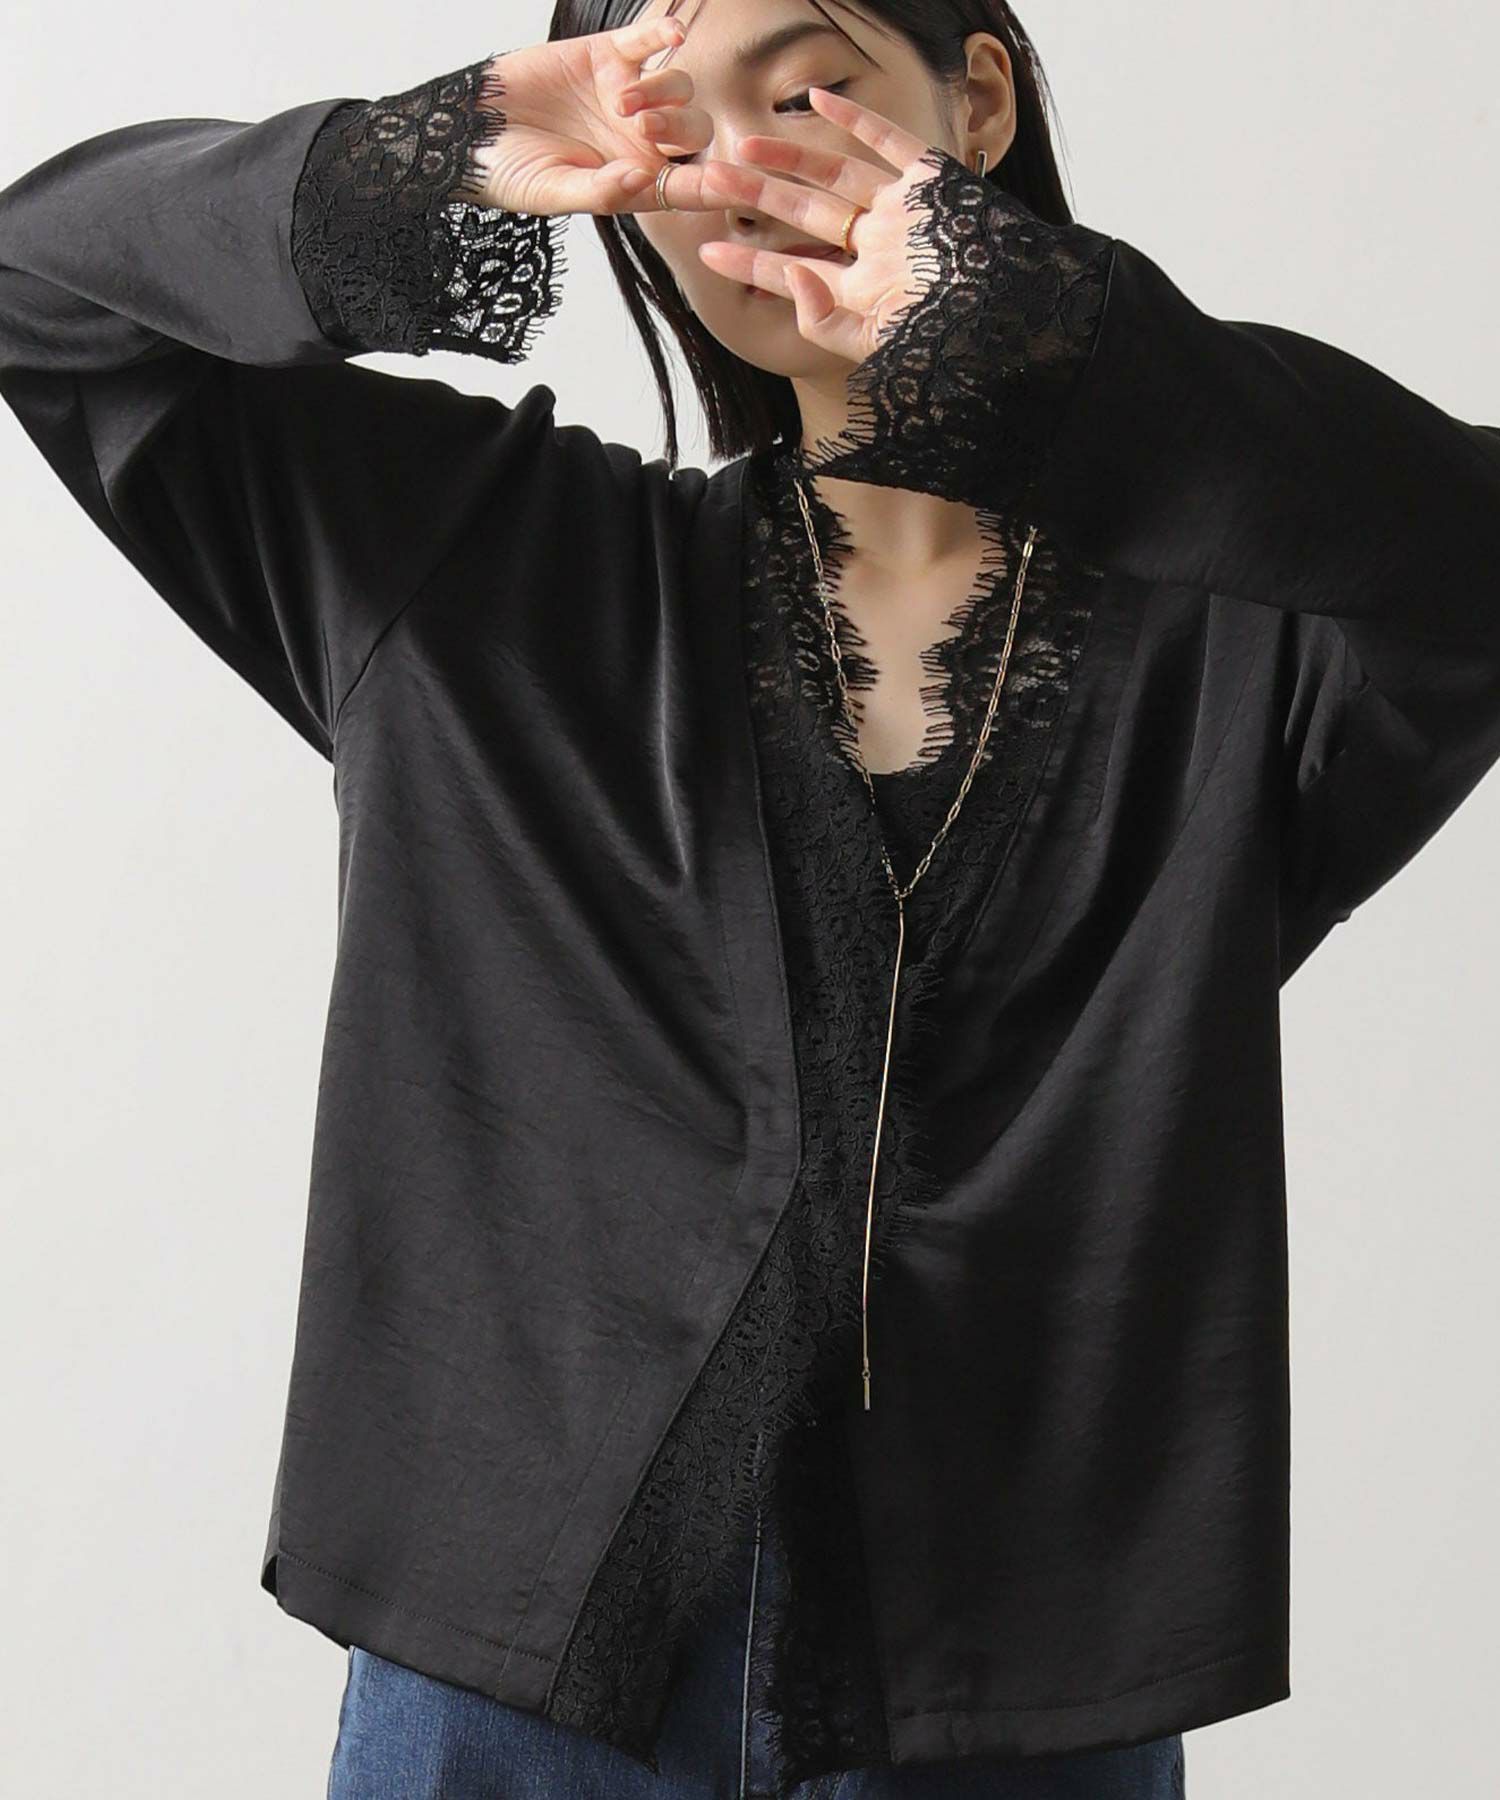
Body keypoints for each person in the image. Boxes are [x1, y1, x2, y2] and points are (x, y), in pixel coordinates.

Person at [3, 2, 1497, 1796]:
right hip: (510, 1687)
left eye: (804, 88)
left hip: (1016, 1703)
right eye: (665, 121)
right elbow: (43, 289)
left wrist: (1058, 345)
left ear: (979, 102)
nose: (739, 168)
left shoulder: (1250, 653)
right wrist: (437, 145)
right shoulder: (475, 572)